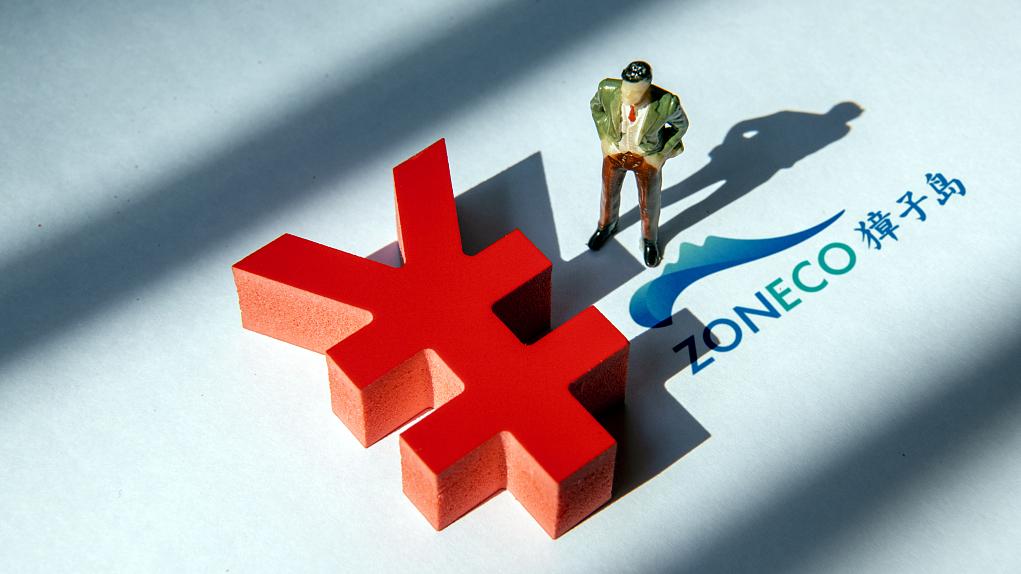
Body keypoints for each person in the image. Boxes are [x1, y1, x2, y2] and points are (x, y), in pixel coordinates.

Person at [587, 61, 688, 267]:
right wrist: (605, 137)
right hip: (615, 152)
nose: (627, 95)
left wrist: (661, 153)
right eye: (625, 89)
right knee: (608, 192)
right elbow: (596, 107)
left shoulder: (666, 103)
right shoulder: (607, 89)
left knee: (649, 202)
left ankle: (649, 239)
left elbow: (681, 126)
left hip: (646, 158)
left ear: (646, 88)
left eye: (634, 93)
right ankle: (606, 225)